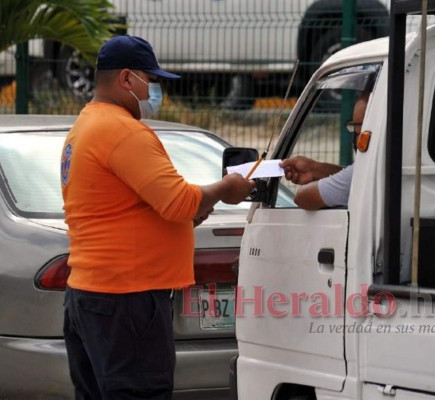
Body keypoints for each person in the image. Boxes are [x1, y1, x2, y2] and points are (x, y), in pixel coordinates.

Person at [60, 35, 254, 400]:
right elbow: (179, 200)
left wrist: (187, 217)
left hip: (92, 295)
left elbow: (123, 209)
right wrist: (226, 188)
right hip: (126, 300)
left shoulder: (86, 125)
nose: (154, 89)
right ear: (127, 79)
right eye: (151, 80)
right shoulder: (122, 130)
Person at [279, 92, 370, 210]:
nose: (358, 140)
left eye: (358, 131)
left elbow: (304, 197)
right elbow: (352, 178)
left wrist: (315, 171)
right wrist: (314, 169)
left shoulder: (372, 168)